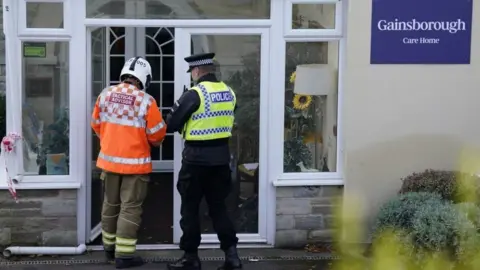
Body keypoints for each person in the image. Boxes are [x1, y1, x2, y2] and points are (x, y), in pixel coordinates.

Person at [166, 52, 242, 270]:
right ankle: (232, 256)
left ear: (197, 71)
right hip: (220, 160)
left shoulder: (194, 94)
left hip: (196, 161)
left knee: (190, 210)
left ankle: (191, 257)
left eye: (192, 72)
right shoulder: (229, 92)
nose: (192, 76)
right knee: (219, 208)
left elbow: (171, 124)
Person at [91, 57, 167, 269]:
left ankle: (109, 248)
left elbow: (95, 124)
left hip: (109, 164)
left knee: (110, 204)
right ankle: (124, 256)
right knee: (130, 208)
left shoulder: (105, 95)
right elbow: (157, 134)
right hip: (135, 166)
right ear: (145, 78)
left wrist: (109, 141)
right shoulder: (146, 101)